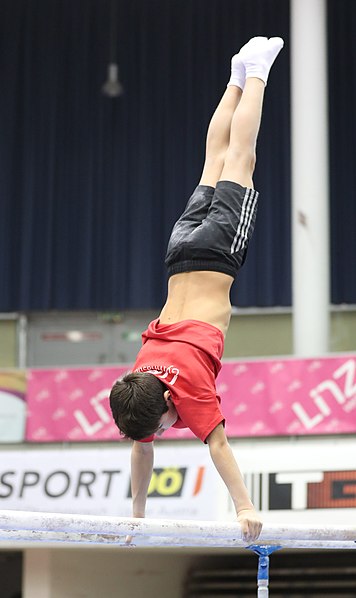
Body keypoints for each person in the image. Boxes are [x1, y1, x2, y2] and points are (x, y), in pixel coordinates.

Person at [110, 36, 284, 543]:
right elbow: (141, 443)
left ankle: (257, 72)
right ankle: (235, 77)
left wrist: (245, 507)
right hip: (179, 250)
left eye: (165, 424)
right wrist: (136, 513)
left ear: (169, 401)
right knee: (211, 163)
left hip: (216, 255)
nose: (166, 429)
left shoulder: (188, 393)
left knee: (240, 158)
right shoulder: (139, 379)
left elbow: (220, 449)